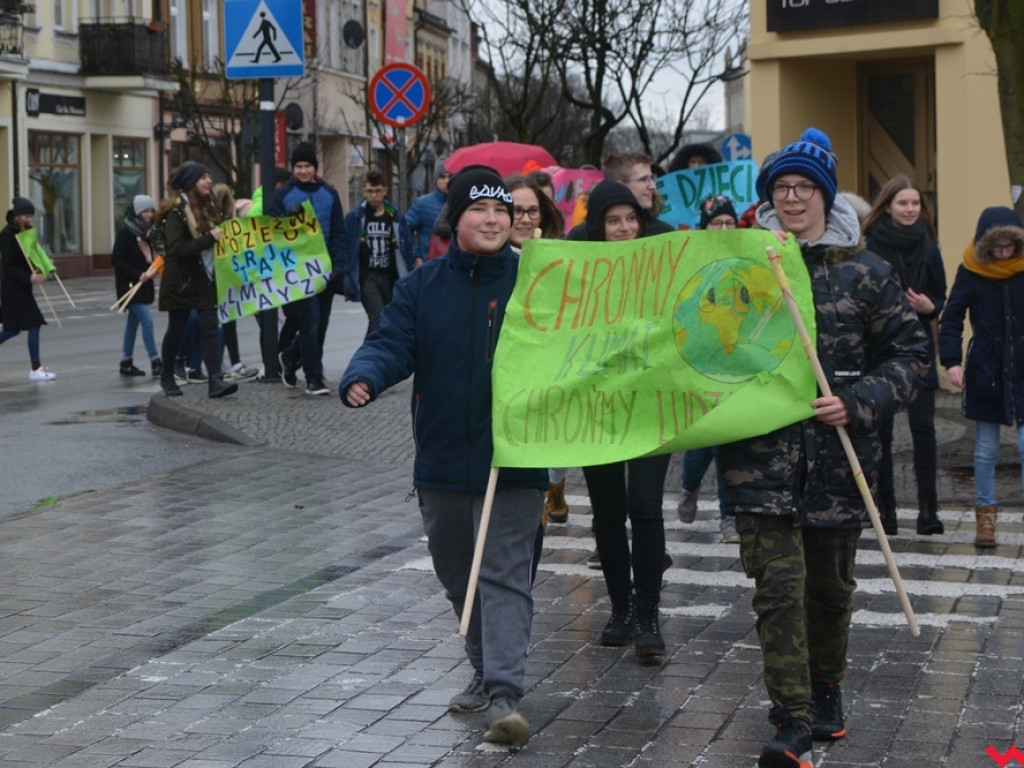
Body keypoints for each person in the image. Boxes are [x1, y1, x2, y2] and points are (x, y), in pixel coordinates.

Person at [718, 128, 928, 768]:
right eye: (780, 188)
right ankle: (792, 719)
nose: (791, 198)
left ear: (824, 195)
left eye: (803, 188)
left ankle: (825, 687)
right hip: (761, 462)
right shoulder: (744, 267)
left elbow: (912, 354)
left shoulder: (866, 272)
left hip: (839, 464)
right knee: (777, 591)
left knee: (828, 592)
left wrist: (859, 400)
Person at [340, 166, 545, 746]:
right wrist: (365, 376)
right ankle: (483, 666)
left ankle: (506, 694)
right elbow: (390, 342)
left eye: (502, 211)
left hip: (517, 458)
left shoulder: (536, 280)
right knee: (461, 575)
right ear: (455, 218)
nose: (493, 220)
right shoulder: (422, 286)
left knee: (505, 573)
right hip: (442, 460)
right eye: (480, 210)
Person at [576, 180, 672, 658]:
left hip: (653, 402)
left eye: (631, 218)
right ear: (598, 225)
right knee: (608, 511)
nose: (624, 228)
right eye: (613, 220)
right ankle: (622, 609)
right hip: (599, 406)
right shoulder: (577, 267)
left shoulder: (663, 255)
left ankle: (650, 613)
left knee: (645, 504)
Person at [863, 175, 947, 536]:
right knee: (880, 431)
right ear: (888, 206)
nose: (910, 209)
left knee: (923, 430)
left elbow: (941, 298)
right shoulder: (869, 247)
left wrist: (931, 306)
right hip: (879, 347)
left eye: (915, 203)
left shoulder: (930, 248)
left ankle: (929, 511)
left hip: (919, 346)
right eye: (903, 203)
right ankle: (886, 512)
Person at [938, 206, 1024, 548]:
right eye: (998, 247)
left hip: (1023, 368)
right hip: (986, 369)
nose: (1004, 253)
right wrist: (951, 361)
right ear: (986, 246)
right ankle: (986, 519)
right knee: (986, 449)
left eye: (1010, 247)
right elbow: (952, 317)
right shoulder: (971, 271)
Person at [505, 174, 568, 528]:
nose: (525, 219)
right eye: (516, 211)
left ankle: (550, 490)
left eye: (533, 211)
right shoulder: (489, 261)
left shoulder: (559, 260)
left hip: (549, 371)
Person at [678, 194, 737, 543]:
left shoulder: (745, 257)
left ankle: (728, 516)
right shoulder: (692, 261)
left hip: (734, 362)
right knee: (703, 442)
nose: (725, 228)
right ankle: (689, 486)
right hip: (700, 362)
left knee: (723, 443)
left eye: (730, 222)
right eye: (718, 223)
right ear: (705, 226)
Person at [267, 142, 346, 396]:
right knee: (310, 322)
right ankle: (314, 377)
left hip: (325, 271)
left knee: (320, 325)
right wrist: (285, 220)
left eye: (307, 166)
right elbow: (269, 231)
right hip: (298, 273)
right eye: (299, 166)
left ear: (315, 167)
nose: (303, 171)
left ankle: (290, 358)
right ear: (293, 169)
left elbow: (338, 234)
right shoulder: (283, 195)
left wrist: (338, 266)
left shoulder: (330, 194)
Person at [157, 162, 237, 399]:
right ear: (191, 183)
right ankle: (167, 377)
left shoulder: (209, 209)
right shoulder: (176, 213)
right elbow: (177, 249)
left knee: (211, 329)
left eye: (208, 176)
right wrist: (210, 238)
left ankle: (215, 381)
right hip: (181, 283)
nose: (209, 181)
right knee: (176, 332)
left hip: (204, 281)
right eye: (203, 177)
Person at [342, 169, 415, 336]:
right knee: (377, 318)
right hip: (368, 276)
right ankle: (369, 359)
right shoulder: (355, 217)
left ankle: (371, 355)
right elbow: (347, 250)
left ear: (385, 191)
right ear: (364, 191)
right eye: (370, 191)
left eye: (378, 191)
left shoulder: (395, 217)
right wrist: (347, 279)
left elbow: (407, 248)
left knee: (387, 320)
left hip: (390, 277)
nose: (374, 195)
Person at [0, 197, 55, 380]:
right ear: (16, 216)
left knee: (12, 329)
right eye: (25, 215)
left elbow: (33, 255)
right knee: (34, 322)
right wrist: (29, 277)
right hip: (13, 287)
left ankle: (36, 369)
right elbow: (7, 265)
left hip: (22, 286)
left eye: (30, 215)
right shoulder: (7, 234)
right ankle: (35, 368)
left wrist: (42, 269)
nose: (29, 219)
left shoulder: (28, 232)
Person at [566, 152, 675, 239]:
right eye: (643, 179)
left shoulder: (664, 234)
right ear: (620, 185)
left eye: (651, 178)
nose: (652, 186)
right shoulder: (580, 237)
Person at [111, 195, 162, 378]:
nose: (149, 214)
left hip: (143, 284)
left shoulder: (147, 233)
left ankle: (126, 362)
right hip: (129, 285)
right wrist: (137, 274)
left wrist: (153, 269)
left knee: (133, 324)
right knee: (147, 320)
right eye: (145, 211)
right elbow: (116, 259)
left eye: (151, 211)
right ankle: (156, 361)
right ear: (137, 213)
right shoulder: (127, 232)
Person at [212, 183, 258, 381]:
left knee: (225, 321)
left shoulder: (214, 220)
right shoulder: (226, 223)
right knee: (223, 322)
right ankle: (221, 365)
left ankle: (223, 365)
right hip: (224, 276)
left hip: (221, 275)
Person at [406, 164, 449, 262]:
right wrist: (416, 257)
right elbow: (405, 229)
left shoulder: (460, 203)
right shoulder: (422, 204)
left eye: (450, 177)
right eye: (442, 177)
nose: (446, 181)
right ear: (436, 179)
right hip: (429, 264)